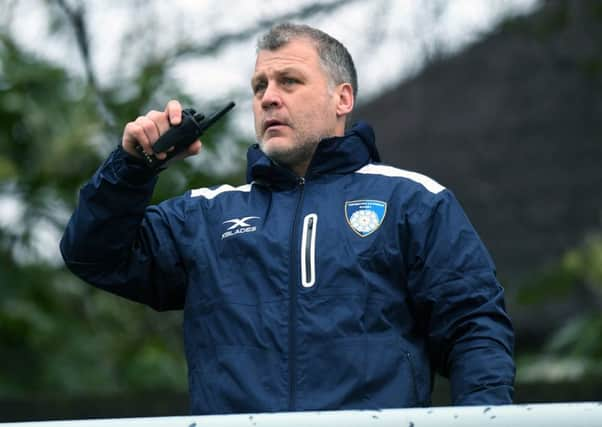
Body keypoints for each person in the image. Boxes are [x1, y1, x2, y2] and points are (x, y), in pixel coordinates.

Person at [60, 23, 515, 414]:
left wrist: (484, 419)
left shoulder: (414, 201)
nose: (269, 98)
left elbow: (474, 328)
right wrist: (132, 167)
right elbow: (93, 256)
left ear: (343, 98)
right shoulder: (206, 215)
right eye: (259, 87)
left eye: (289, 81)